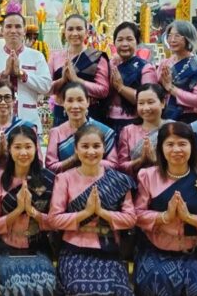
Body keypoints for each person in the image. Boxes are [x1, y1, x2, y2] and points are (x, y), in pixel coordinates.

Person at [133, 122, 197, 296]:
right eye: (170, 144)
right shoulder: (147, 176)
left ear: (192, 146)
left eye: (182, 144)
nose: (176, 150)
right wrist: (164, 217)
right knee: (155, 281)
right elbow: (136, 215)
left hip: (194, 254)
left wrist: (190, 218)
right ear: (161, 147)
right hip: (154, 252)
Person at [48, 124, 136, 296]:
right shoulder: (64, 179)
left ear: (104, 148)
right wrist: (86, 213)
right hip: (74, 250)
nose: (91, 151)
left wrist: (102, 212)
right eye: (85, 146)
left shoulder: (119, 180)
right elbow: (54, 219)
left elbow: (131, 219)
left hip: (109, 250)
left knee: (120, 291)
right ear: (76, 149)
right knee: (79, 288)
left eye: (96, 146)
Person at [0, 125, 57, 296]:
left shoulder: (49, 179)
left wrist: (32, 212)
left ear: (36, 148)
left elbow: (55, 223)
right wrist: (18, 210)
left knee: (47, 286)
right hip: (6, 246)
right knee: (16, 288)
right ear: (9, 150)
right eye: (17, 147)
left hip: (38, 246)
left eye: (28, 147)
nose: (23, 152)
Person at [0, 13, 52, 133]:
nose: (13, 31)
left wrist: (22, 74)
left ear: (24, 31)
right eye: (9, 26)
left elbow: (46, 86)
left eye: (18, 26)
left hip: (29, 121)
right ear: (2, 30)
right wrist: (3, 75)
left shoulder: (36, 56)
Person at [48, 14, 110, 125]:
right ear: (64, 32)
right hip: (62, 113)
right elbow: (46, 88)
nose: (75, 33)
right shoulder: (55, 57)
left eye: (79, 29)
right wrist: (62, 80)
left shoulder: (97, 57)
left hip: (88, 114)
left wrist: (77, 80)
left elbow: (104, 91)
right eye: (70, 29)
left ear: (86, 32)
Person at [45, 82, 116, 173]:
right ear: (63, 103)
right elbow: (50, 167)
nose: (75, 106)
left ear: (88, 102)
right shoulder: (56, 133)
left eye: (80, 100)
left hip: (99, 180)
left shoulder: (104, 130)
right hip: (66, 180)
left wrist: (89, 159)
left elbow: (114, 164)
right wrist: (74, 159)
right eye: (70, 100)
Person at [107, 22, 157, 133]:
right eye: (120, 40)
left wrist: (121, 87)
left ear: (137, 42)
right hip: (108, 121)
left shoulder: (145, 67)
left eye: (129, 39)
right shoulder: (109, 65)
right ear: (114, 43)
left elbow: (149, 99)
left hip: (135, 123)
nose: (124, 44)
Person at [156, 20, 197, 124]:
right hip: (162, 115)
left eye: (177, 36)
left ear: (189, 38)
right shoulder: (165, 63)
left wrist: (171, 88)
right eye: (169, 36)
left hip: (186, 119)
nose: (172, 40)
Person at [116, 83, 171, 177]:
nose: (146, 108)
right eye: (141, 103)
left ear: (162, 103)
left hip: (167, 181)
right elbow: (121, 166)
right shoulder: (128, 131)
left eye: (150, 102)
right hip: (136, 183)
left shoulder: (172, 128)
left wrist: (155, 160)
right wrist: (141, 160)